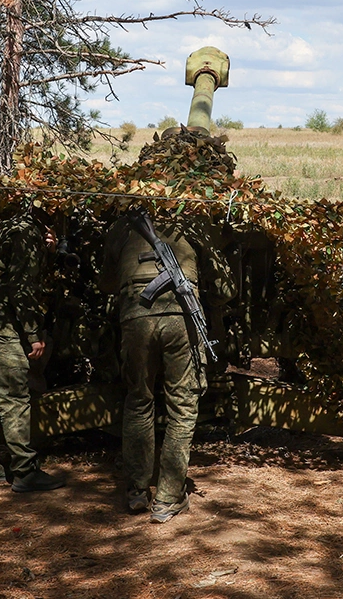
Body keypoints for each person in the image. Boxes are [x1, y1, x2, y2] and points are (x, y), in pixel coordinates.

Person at [99, 211, 235, 523]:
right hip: (180, 318)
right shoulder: (192, 221)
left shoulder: (121, 225)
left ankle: (136, 490)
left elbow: (106, 282)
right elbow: (226, 290)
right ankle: (169, 497)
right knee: (183, 405)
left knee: (138, 400)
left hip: (135, 318)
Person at [0, 202, 66, 492]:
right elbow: (20, 288)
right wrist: (33, 333)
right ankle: (25, 470)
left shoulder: (6, 226)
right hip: (5, 329)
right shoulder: (26, 234)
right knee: (15, 401)